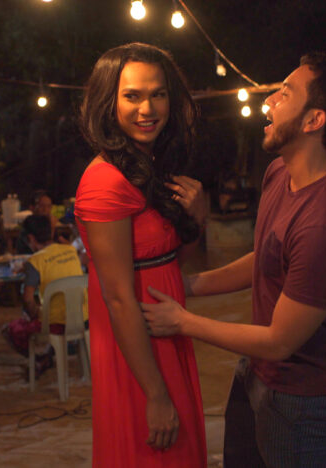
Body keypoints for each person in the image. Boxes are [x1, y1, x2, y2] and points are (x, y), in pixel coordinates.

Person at [141, 53, 326, 468]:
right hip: (259, 370)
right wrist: (188, 285)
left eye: (285, 94)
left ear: (313, 120)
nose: (268, 102)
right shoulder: (280, 172)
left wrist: (183, 322)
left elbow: (280, 341)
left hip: (304, 397)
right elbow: (265, 257)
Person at [74, 42, 208, 467]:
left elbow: (174, 264)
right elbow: (117, 297)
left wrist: (197, 218)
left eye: (158, 94)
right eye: (132, 96)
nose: (147, 109)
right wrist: (155, 393)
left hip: (164, 329)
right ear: (108, 101)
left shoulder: (150, 166)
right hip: (137, 349)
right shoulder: (105, 181)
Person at [0, 215, 87, 374]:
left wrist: (34, 314)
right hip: (83, 317)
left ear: (31, 238)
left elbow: (28, 300)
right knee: (47, 312)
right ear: (51, 232)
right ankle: (46, 357)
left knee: (10, 330)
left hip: (56, 324)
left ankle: (40, 359)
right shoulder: (70, 250)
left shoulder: (35, 261)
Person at [15, 190, 56, 255]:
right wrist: (52, 227)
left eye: (49, 206)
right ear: (33, 207)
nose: (46, 209)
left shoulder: (47, 220)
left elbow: (54, 241)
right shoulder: (30, 221)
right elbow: (36, 247)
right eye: (42, 206)